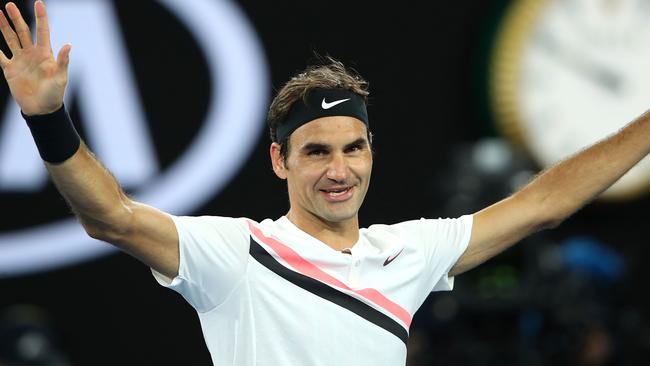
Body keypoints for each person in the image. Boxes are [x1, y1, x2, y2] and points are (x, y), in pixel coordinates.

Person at [1, 1, 648, 365]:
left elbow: (545, 203)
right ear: (280, 161)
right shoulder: (237, 255)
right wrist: (49, 119)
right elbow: (109, 216)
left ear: (372, 153)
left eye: (352, 148)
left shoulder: (409, 252)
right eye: (316, 152)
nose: (339, 170)